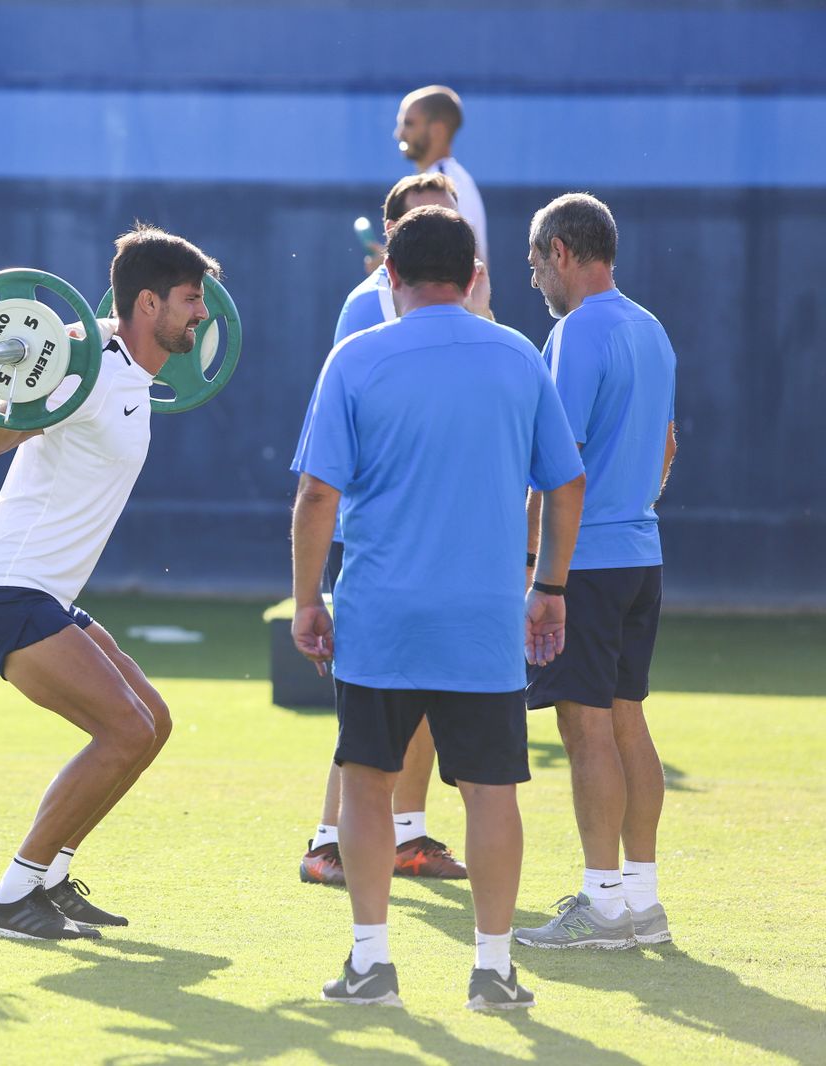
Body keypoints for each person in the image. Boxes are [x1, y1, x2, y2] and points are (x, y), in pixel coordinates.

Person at [290, 206, 585, 1009]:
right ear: (471, 276)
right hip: (483, 621)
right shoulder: (520, 357)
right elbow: (565, 484)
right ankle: (493, 971)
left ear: (389, 276)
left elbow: (318, 495)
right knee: (491, 793)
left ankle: (371, 965)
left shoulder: (355, 359)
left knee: (365, 784)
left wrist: (307, 599)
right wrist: (549, 587)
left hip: (381, 616)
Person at [0, 225, 220, 940]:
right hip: (6, 587)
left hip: (47, 593)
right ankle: (9, 898)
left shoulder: (130, 370)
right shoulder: (83, 361)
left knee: (152, 722)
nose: (203, 314)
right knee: (123, 728)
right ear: (147, 301)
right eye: (192, 300)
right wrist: (32, 386)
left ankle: (47, 879)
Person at [300, 172, 491, 888]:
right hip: (374, 532)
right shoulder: (365, 310)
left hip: (434, 530)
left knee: (420, 694)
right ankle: (329, 843)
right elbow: (347, 442)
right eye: (420, 218)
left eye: (442, 217)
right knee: (371, 698)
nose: (433, 227)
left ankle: (405, 835)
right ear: (391, 241)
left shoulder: (463, 305)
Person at [514, 193, 679, 951]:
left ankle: (603, 904)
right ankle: (639, 901)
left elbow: (558, 467)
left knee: (587, 732)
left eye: (535, 260)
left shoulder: (575, 333)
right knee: (625, 720)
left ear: (561, 252)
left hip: (585, 563)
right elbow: (668, 449)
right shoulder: (651, 329)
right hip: (640, 556)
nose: (533, 276)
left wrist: (534, 570)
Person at [392, 85, 488, 268]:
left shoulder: (447, 184)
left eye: (409, 124)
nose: (399, 134)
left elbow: (470, 258)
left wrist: (394, 265)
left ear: (438, 130)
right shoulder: (440, 178)